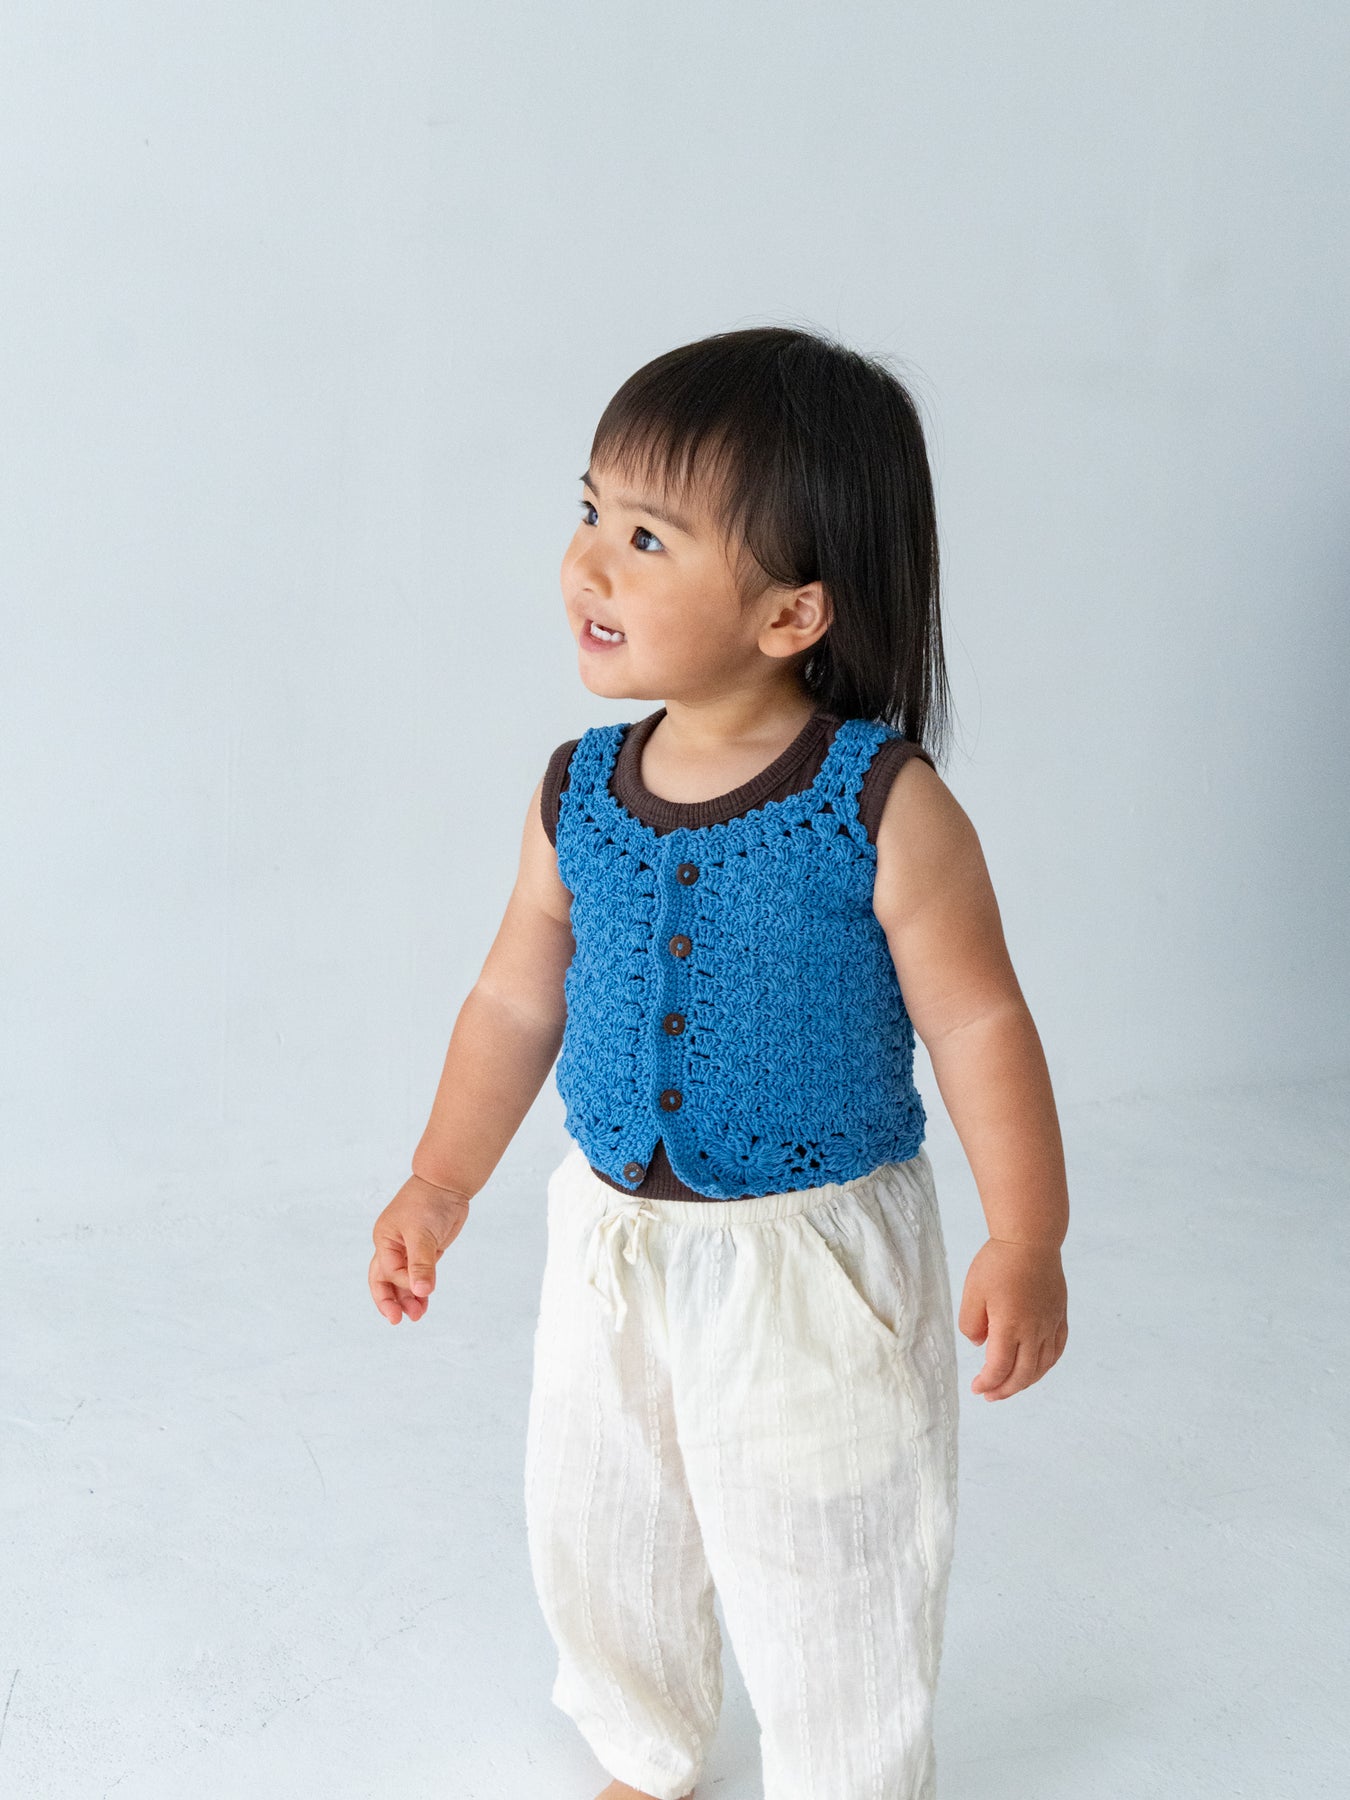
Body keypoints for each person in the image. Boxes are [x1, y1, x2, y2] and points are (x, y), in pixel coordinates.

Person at [367, 325, 1070, 1800]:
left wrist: (1028, 1235)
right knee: (600, 1518)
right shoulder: (577, 791)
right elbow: (512, 1002)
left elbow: (979, 1024)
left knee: (834, 1545)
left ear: (790, 611)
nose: (588, 563)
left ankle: (846, 1774)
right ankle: (642, 1743)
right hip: (611, 1239)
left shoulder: (878, 804)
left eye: (646, 537)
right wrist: (441, 1178)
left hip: (809, 1258)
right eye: (588, 511)